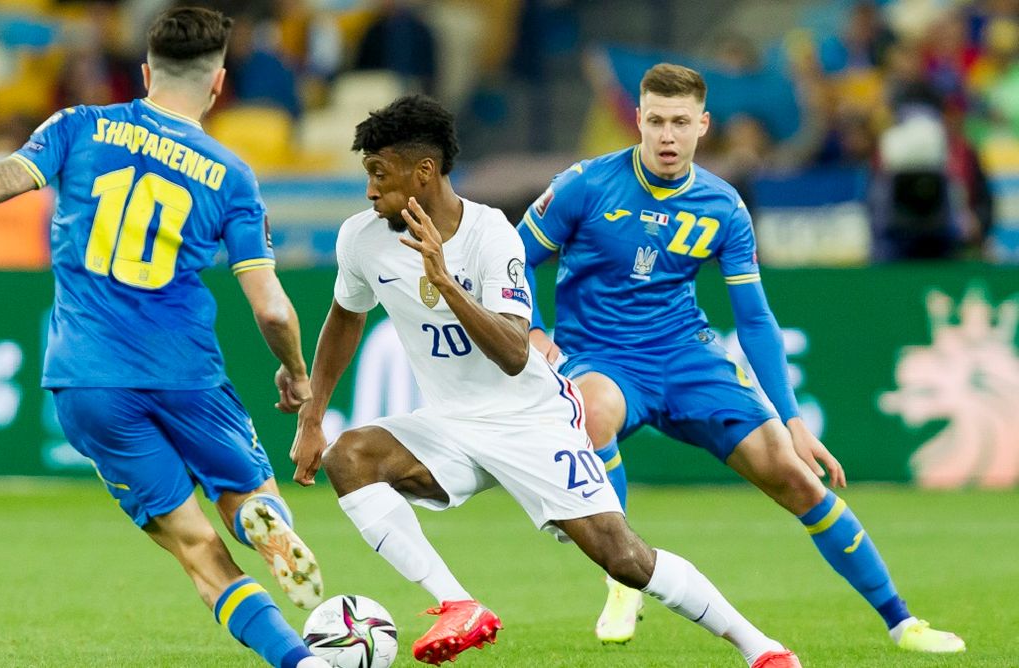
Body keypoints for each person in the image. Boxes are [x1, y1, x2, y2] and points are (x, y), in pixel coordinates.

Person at [288, 94, 801, 668]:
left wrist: (446, 282)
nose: (369, 190)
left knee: (624, 558)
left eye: (379, 174)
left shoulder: (491, 235)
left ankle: (763, 649)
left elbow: (513, 353)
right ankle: (458, 604)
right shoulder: (361, 238)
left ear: (424, 171)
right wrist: (313, 416)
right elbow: (345, 317)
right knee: (350, 457)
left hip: (529, 418)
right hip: (451, 424)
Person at [0, 8, 327, 668]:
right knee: (249, 498)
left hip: (90, 379)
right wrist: (296, 373)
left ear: (147, 73)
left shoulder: (78, 126)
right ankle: (258, 521)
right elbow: (272, 310)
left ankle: (300, 661)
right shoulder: (231, 174)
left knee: (197, 550)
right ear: (218, 84)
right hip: (189, 375)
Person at [516, 62, 965, 654]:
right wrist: (535, 330)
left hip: (686, 357)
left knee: (794, 475)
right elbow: (512, 258)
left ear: (703, 125)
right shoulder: (584, 184)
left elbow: (754, 319)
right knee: (592, 406)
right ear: (639, 121)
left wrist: (792, 420)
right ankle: (622, 576)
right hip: (602, 356)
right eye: (656, 121)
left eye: (680, 122)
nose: (668, 136)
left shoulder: (723, 205)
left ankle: (903, 623)